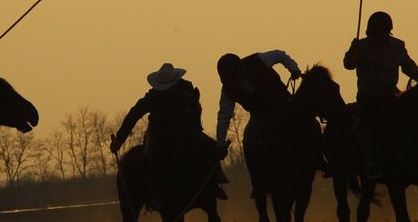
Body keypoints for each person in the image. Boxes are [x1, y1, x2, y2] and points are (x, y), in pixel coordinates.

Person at [110, 63, 226, 208]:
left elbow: (195, 109)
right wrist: (119, 140)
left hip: (186, 131)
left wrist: (192, 128)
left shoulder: (186, 89)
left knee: (210, 146)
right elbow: (133, 115)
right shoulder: (152, 96)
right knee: (153, 158)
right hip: (158, 135)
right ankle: (155, 193)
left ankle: (214, 183)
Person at [343, 11, 418, 179]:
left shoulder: (398, 46)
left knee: (414, 116)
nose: (380, 38)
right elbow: (349, 65)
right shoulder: (361, 47)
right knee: (366, 124)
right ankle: (371, 161)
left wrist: (416, 74)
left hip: (390, 94)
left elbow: (407, 63)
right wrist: (352, 50)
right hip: (368, 96)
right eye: (377, 34)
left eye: (383, 34)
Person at [215, 50, 303, 199]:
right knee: (249, 143)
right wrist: (220, 143)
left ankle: (320, 159)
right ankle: (258, 182)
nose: (233, 80)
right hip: (259, 116)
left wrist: (293, 69)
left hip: (283, 105)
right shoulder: (228, 90)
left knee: (307, 124)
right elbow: (224, 116)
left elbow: (279, 55)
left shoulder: (258, 60)